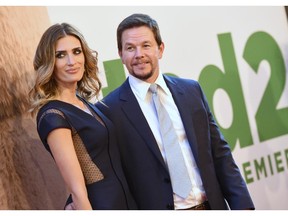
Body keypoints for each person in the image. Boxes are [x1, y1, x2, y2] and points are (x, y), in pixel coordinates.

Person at [95, 13, 255, 210]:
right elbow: (112, 177)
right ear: (121, 54)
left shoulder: (191, 91)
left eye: (146, 45)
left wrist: (244, 207)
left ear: (160, 49)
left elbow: (220, 154)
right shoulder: (109, 109)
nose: (139, 54)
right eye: (130, 48)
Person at [29, 23, 137, 210]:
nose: (72, 61)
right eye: (60, 55)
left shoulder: (81, 102)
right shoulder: (53, 115)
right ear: (49, 62)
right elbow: (77, 191)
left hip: (125, 201)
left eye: (77, 51)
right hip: (101, 205)